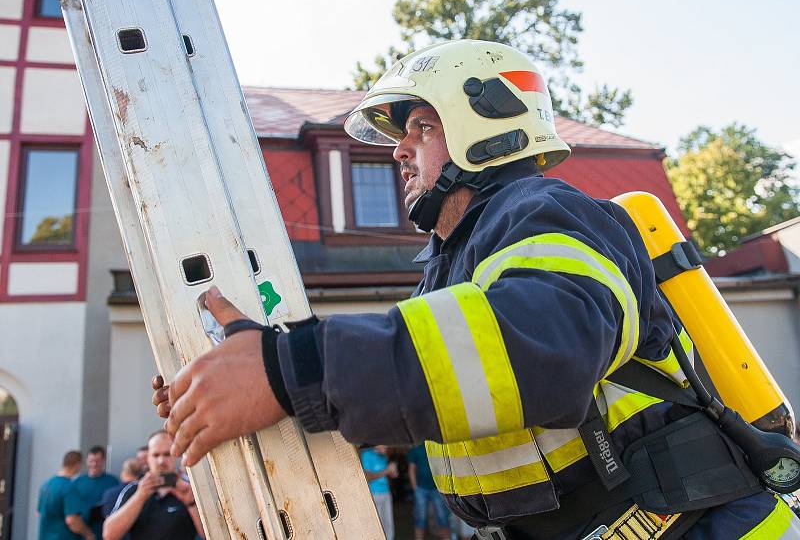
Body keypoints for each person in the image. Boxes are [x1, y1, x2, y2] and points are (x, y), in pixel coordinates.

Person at [153, 39, 800, 539]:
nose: (400, 152)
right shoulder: (454, 263)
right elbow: (423, 385)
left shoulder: (546, 210)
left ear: (485, 124)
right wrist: (236, 380)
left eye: (422, 128)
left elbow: (542, 344)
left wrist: (286, 368)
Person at [102, 431, 203, 540]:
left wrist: (191, 504)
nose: (161, 461)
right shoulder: (134, 489)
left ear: (176, 455)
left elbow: (211, 535)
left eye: (167, 454)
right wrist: (140, 496)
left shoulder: (190, 488)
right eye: (156, 455)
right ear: (148, 458)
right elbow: (109, 535)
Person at [65, 446, 119, 540]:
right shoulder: (77, 482)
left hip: (104, 532)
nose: (94, 464)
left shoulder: (112, 482)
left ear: (103, 461)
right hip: (81, 534)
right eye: (91, 461)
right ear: (87, 461)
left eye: (97, 461)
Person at [407, 443, 450, 540]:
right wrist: (415, 488)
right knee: (420, 518)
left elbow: (445, 466)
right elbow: (411, 469)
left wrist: (444, 486)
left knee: (442, 517)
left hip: (437, 489)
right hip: (421, 489)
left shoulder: (437, 447)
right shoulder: (416, 448)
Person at [38, 450, 82, 540]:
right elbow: (71, 520)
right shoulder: (69, 487)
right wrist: (88, 534)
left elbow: (39, 513)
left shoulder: (46, 485)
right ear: (77, 465)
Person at [361, 445, 398, 540]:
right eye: (384, 444)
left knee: (388, 523)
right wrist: (387, 471)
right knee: (377, 523)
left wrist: (392, 473)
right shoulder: (367, 455)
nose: (387, 446)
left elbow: (384, 475)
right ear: (376, 443)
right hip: (374, 494)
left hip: (386, 493)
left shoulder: (384, 456)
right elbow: (367, 477)